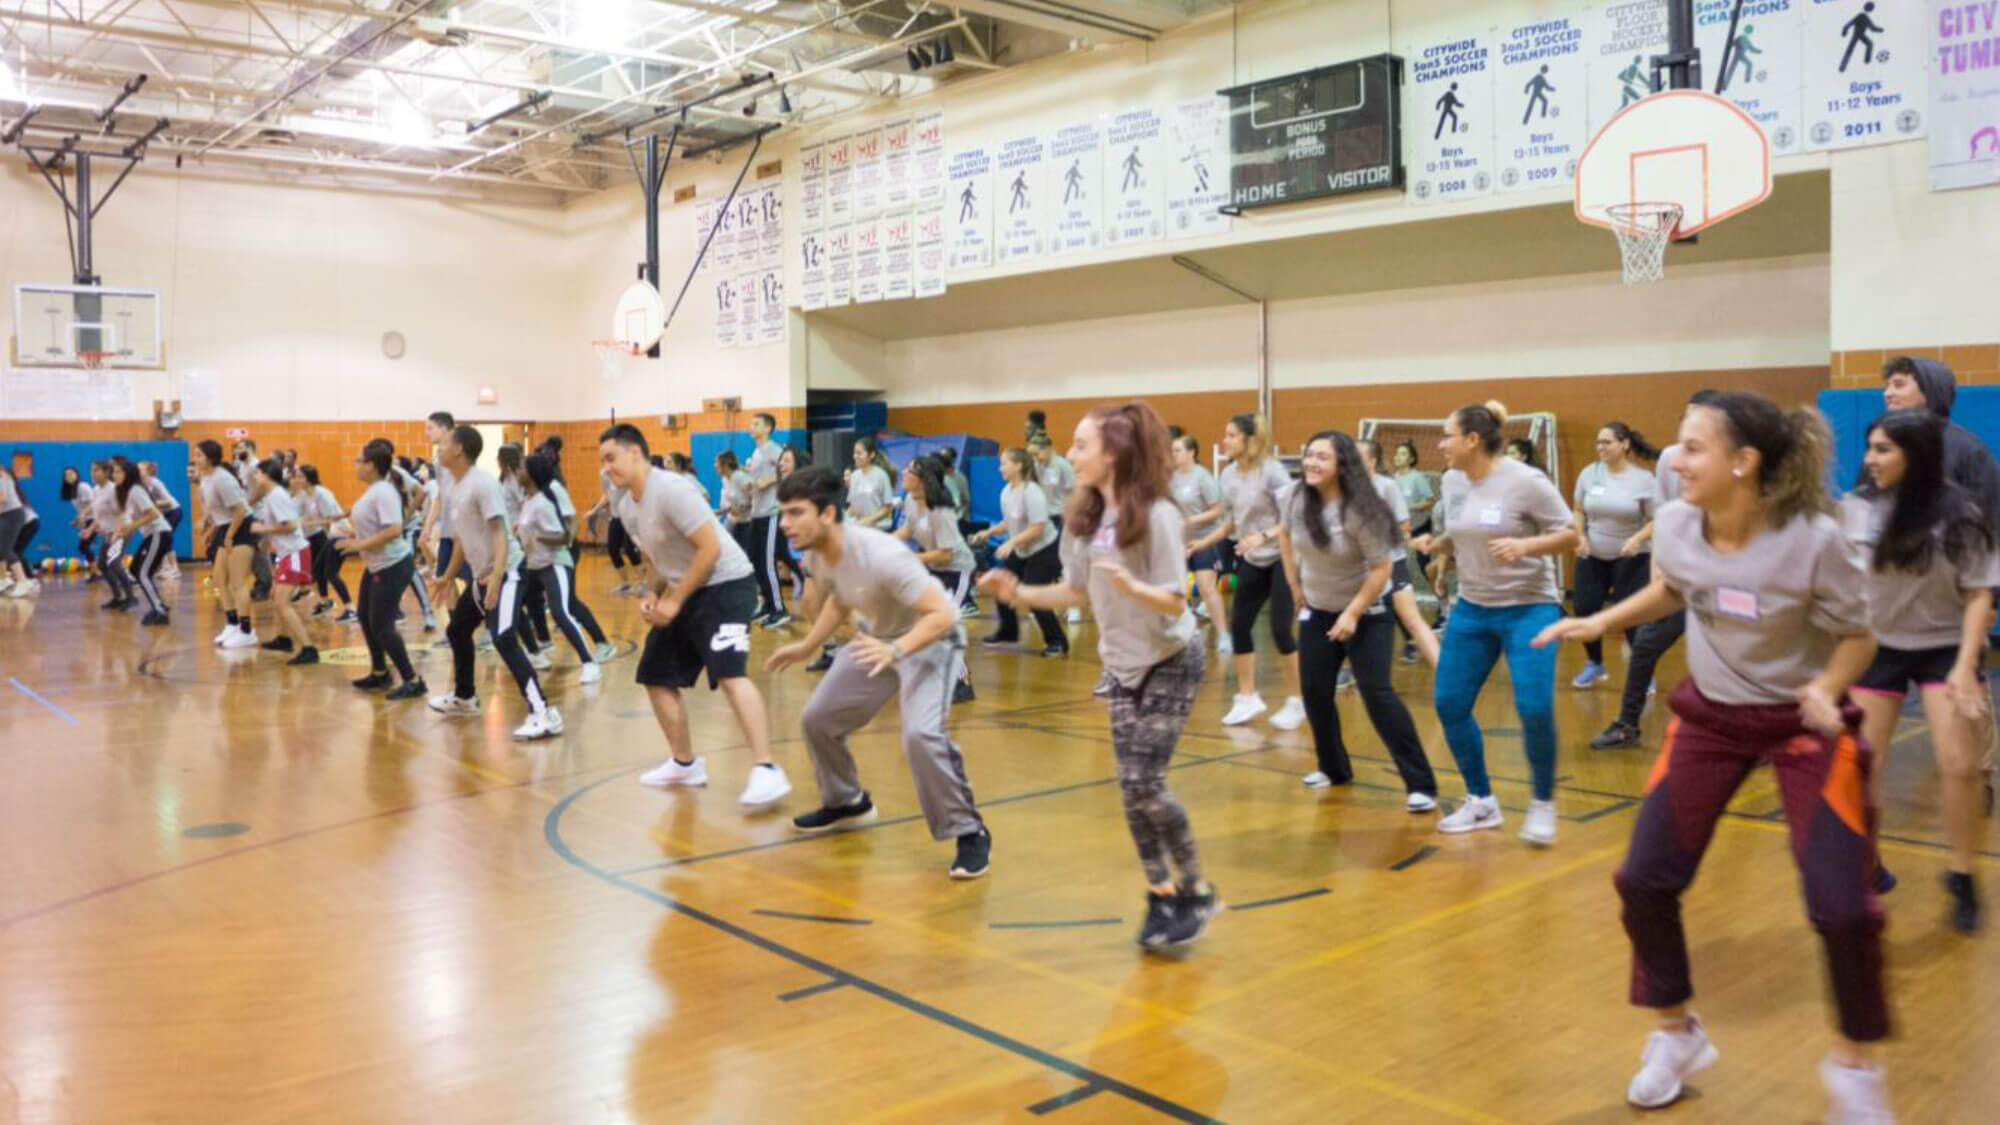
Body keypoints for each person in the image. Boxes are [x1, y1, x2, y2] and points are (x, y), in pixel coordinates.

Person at [1533, 392, 1890, 1120]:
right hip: (1713, 720)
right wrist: (1600, 620)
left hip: (1803, 724)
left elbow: (1860, 636)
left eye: (1694, 447)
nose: (1677, 460)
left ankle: (1855, 1070)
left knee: (1843, 907)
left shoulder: (1813, 539)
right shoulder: (1675, 523)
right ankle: (1677, 1032)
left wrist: (1826, 687)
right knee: (1643, 879)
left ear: (1744, 461)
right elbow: (1673, 589)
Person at [979, 403, 1220, 949]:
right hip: (1121, 665)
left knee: (1145, 783)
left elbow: (1174, 599)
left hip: (1171, 659)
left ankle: (1197, 890)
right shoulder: (1084, 519)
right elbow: (1076, 591)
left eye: (1081, 445)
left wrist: (1133, 589)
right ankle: (1161, 894)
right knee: (1131, 789)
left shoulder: (1157, 514)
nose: (1070, 454)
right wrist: (1018, 593)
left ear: (1115, 453)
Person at [768, 465, 989, 875]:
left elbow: (942, 615)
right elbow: (840, 599)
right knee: (818, 719)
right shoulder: (818, 554)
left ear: (828, 514)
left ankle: (969, 830)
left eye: (795, 512)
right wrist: (808, 644)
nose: (785, 523)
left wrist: (897, 650)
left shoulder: (882, 554)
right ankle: (847, 802)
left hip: (931, 641)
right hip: (879, 640)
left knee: (921, 735)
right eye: (783, 513)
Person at [1843, 409, 1993, 934]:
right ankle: (1867, 865)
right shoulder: (1855, 510)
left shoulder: (1962, 513)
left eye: (1883, 449)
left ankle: (1962, 875)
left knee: (1961, 765)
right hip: (1876, 645)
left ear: (1918, 455)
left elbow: (1979, 594)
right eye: (1870, 447)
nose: (1870, 458)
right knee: (1862, 766)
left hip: (1944, 646)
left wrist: (1965, 665)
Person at [1411, 401, 1577, 844]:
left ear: (1472, 440)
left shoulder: (1526, 481)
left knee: (1534, 707)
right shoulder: (1452, 480)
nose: (1440, 444)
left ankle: (1542, 802)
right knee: (1450, 703)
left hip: (1529, 608)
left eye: (1447, 435)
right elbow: (1464, 530)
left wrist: (1525, 547)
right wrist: (1441, 546)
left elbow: (1570, 533)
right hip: (1472, 608)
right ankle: (1481, 800)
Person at [601, 423, 792, 806]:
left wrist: (675, 602)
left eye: (611, 458)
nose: (606, 468)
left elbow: (710, 550)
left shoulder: (672, 490)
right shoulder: (626, 506)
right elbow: (657, 556)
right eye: (602, 461)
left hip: (727, 584)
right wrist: (653, 594)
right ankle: (685, 764)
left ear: (635, 453)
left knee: (729, 673)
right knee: (655, 675)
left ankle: (767, 768)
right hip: (686, 586)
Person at [1278, 432, 1441, 809]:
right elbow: (1285, 535)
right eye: (1309, 455)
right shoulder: (1296, 497)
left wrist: (1352, 612)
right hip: (1318, 609)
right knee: (1315, 692)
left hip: (1368, 612)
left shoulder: (1362, 509)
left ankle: (1420, 783)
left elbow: (1382, 568)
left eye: (1323, 457)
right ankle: (1333, 768)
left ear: (1343, 465)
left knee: (1375, 692)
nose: (1312, 463)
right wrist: (1294, 584)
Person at [1593, 390, 1721, 750]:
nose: (1691, 422)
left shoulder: (1734, 462)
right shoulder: (1670, 459)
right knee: (1645, 644)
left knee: (1728, 657)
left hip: (1721, 582)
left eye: (1701, 415)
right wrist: (1657, 572)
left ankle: (1750, 734)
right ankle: (1627, 723)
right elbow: (1663, 519)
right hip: (1681, 577)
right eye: (1687, 415)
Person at [426, 425, 562, 741]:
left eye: (444, 442)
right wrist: (448, 576)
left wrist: (498, 578)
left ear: (459, 449)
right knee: (457, 630)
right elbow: (461, 540)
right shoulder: (455, 487)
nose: (439, 447)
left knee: (503, 638)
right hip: (482, 576)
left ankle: (543, 713)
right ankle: (464, 697)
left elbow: (500, 533)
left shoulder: (483, 484)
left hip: (507, 571)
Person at [1215, 413, 1305, 730]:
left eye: (1231, 435)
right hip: (1253, 558)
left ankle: (1298, 700)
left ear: (1249, 440)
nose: (1225, 441)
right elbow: (1231, 521)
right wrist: (1203, 542)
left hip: (1281, 556)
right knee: (1239, 625)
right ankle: (1247, 697)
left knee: (1281, 630)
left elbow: (1293, 518)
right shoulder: (1228, 475)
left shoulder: (1272, 472)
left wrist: (1262, 536)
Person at [1571, 422, 1662, 689]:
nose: (1600, 447)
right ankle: (1595, 664)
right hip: (1593, 554)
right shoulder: (1589, 473)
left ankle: (1643, 673)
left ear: (1625, 444)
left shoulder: (1644, 479)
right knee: (1584, 608)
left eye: (1607, 442)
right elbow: (1578, 510)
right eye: (1598, 442)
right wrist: (1580, 536)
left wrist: (1637, 539)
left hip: (1632, 556)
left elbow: (1657, 519)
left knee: (1631, 617)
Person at [335, 443, 427, 699]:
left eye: (359, 460)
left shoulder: (384, 492)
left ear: (372, 465)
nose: (355, 464)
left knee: (382, 625)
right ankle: (380, 672)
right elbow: (377, 526)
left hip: (392, 565)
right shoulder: (375, 489)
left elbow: (394, 529)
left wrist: (358, 545)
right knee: (366, 617)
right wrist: (353, 534)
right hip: (377, 564)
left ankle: (413, 680)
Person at [521, 451, 609, 684]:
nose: (518, 472)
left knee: (561, 611)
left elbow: (563, 537)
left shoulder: (543, 502)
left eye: (522, 468)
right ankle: (538, 651)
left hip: (554, 563)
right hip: (533, 565)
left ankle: (589, 662)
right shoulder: (528, 500)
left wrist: (537, 538)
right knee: (518, 606)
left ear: (532, 474)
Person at [971, 449, 1067, 657]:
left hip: (1045, 549)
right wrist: (990, 532)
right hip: (1023, 548)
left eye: (1005, 463)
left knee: (1034, 594)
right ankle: (1009, 631)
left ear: (1019, 465)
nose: (1000, 468)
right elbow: (1009, 521)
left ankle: (1057, 642)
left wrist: (1011, 543)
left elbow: (1037, 528)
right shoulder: (1006, 492)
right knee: (1001, 585)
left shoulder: (1033, 492)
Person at [898, 457, 977, 703]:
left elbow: (946, 555)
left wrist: (913, 558)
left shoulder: (941, 511)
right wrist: (884, 543)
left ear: (923, 480)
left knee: (945, 624)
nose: (904, 472)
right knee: (921, 620)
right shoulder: (910, 500)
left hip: (957, 570)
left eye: (910, 471)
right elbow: (908, 530)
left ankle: (962, 683)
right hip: (934, 568)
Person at [1360, 438, 1443, 669]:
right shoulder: (1346, 488)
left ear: (1372, 461)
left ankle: (1443, 670)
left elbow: (1404, 525)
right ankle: (1350, 667)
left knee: (1408, 615)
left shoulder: (1387, 486)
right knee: (1353, 614)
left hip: (1390, 560)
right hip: (1360, 566)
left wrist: (1382, 537)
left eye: (1359, 456)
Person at [246, 459, 318, 663]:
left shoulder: (277, 495)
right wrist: (266, 541)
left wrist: (261, 529)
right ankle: (284, 639)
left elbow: (291, 526)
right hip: (287, 553)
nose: (255, 477)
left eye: (258, 473)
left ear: (267, 475)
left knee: (282, 601)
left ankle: (309, 648)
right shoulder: (273, 495)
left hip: (295, 553)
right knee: (275, 596)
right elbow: (279, 524)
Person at [1170, 433, 1230, 654]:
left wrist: (1191, 520)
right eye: (1172, 450)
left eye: (1177, 450)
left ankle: (1223, 635)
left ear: (1191, 452)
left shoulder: (1202, 477)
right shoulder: (1172, 478)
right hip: (1181, 542)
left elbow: (1219, 510)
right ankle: (1181, 634)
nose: (1173, 454)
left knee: (1206, 588)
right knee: (1175, 590)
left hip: (1205, 540)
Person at [195, 442, 257, 645]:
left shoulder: (222, 479)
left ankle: (247, 631)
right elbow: (212, 507)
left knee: (237, 582)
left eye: (199, 455)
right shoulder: (205, 478)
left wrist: (229, 536)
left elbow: (240, 510)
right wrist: (207, 523)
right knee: (219, 579)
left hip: (241, 527)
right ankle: (232, 624)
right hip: (225, 526)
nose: (195, 459)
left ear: (210, 458)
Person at [106, 457, 174, 626]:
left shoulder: (136, 490)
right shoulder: (129, 493)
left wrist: (131, 527)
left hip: (159, 533)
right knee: (135, 569)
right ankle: (159, 606)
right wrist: (118, 531)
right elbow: (127, 518)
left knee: (142, 573)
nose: (114, 475)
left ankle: (159, 611)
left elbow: (153, 513)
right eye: (114, 472)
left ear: (128, 473)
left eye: (118, 471)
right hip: (153, 535)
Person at [1030, 431, 1084, 625]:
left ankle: (1074, 607)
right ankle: (1048, 604)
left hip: (1063, 517)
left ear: (1048, 449)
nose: (1035, 458)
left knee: (1065, 562)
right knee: (1046, 562)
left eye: (1037, 453)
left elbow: (1075, 492)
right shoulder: (1036, 466)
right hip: (1045, 518)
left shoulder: (1062, 465)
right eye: (1032, 455)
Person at [741, 413, 790, 627]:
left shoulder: (774, 449)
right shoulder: (757, 452)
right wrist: (751, 484)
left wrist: (768, 480)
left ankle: (780, 609)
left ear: (768, 428)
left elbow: (788, 470)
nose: (751, 427)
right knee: (755, 560)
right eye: (751, 423)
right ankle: (768, 604)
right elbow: (757, 482)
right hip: (756, 512)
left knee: (768, 562)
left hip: (771, 513)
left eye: (756, 424)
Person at [290, 465, 355, 623]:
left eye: (299, 476)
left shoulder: (322, 494)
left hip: (341, 533)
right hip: (331, 535)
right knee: (318, 570)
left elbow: (332, 519)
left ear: (308, 479)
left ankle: (351, 609)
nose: (296, 479)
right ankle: (325, 602)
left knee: (331, 573)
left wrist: (309, 523)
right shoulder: (305, 494)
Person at [87, 461, 140, 611]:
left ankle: (131, 598)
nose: (93, 473)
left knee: (114, 563)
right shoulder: (96, 490)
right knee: (102, 565)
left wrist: (117, 533)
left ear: (106, 472)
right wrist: (90, 530)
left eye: (96, 470)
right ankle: (118, 597)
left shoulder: (113, 489)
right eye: (92, 470)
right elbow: (98, 515)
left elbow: (123, 512)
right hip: (109, 533)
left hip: (122, 531)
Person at [590, 464, 646, 596]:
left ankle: (643, 583)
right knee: (612, 549)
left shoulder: (626, 473)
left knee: (629, 549)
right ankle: (625, 583)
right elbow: (607, 495)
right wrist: (594, 510)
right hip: (616, 517)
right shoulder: (603, 474)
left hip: (630, 516)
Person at [137, 461, 183, 581]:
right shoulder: (140, 485)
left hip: (173, 511)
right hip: (161, 514)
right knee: (160, 540)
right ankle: (166, 567)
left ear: (148, 471)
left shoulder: (155, 483)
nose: (137, 471)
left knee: (164, 539)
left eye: (140, 469)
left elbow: (168, 502)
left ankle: (174, 569)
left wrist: (151, 504)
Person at [0, 466, 35, 599]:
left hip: (12, 515)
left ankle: (23, 581)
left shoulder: (2, 476)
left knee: (6, 549)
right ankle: (3, 579)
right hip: (4, 515)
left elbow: (2, 498)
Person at [846, 436, 896, 530]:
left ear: (872, 454)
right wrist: (843, 517)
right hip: (860, 526)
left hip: (879, 527)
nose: (855, 456)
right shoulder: (854, 476)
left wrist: (869, 520)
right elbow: (853, 508)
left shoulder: (881, 475)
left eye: (859, 453)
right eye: (854, 453)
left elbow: (888, 508)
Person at [61, 467, 97, 584]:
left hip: (95, 520)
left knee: (84, 546)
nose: (69, 476)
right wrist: (77, 520)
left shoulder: (83, 486)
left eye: (72, 474)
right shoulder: (72, 490)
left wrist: (82, 516)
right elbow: (82, 509)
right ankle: (96, 571)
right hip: (88, 520)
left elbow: (92, 505)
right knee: (83, 547)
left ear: (77, 474)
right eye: (66, 475)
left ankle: (96, 572)